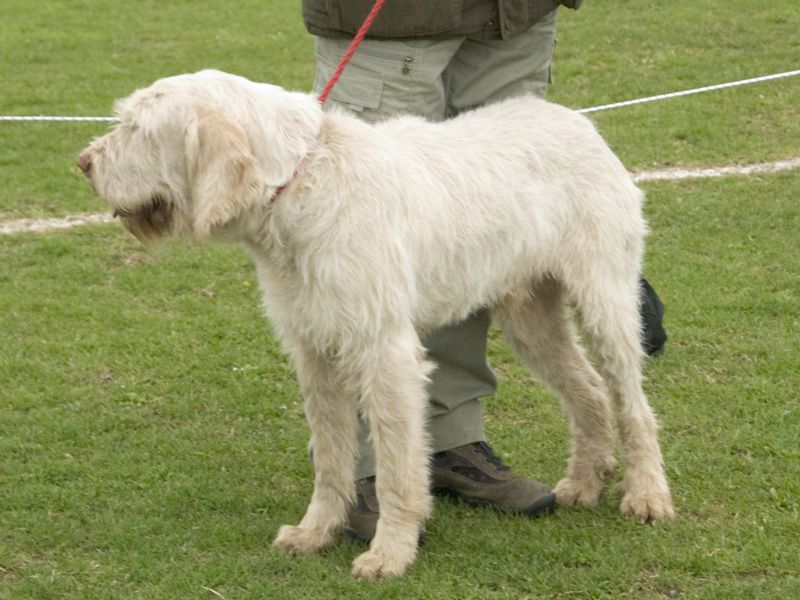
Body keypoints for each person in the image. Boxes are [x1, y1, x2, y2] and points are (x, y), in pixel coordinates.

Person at [300, 0, 665, 542]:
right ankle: (364, 476)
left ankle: (630, 456)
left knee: (559, 321)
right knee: (360, 281)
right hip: (392, 23)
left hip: (512, 17)